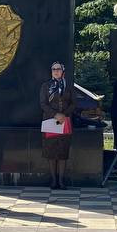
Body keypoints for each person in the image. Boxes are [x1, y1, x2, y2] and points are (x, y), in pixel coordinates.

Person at [40, 61, 75, 189]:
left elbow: (73, 103)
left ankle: (61, 181)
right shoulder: (46, 86)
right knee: (51, 151)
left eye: (58, 69)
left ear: (62, 71)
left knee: (62, 152)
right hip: (50, 121)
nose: (56, 71)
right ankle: (53, 181)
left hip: (64, 121)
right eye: (54, 69)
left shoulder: (68, 86)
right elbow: (43, 104)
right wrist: (55, 114)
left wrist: (64, 115)